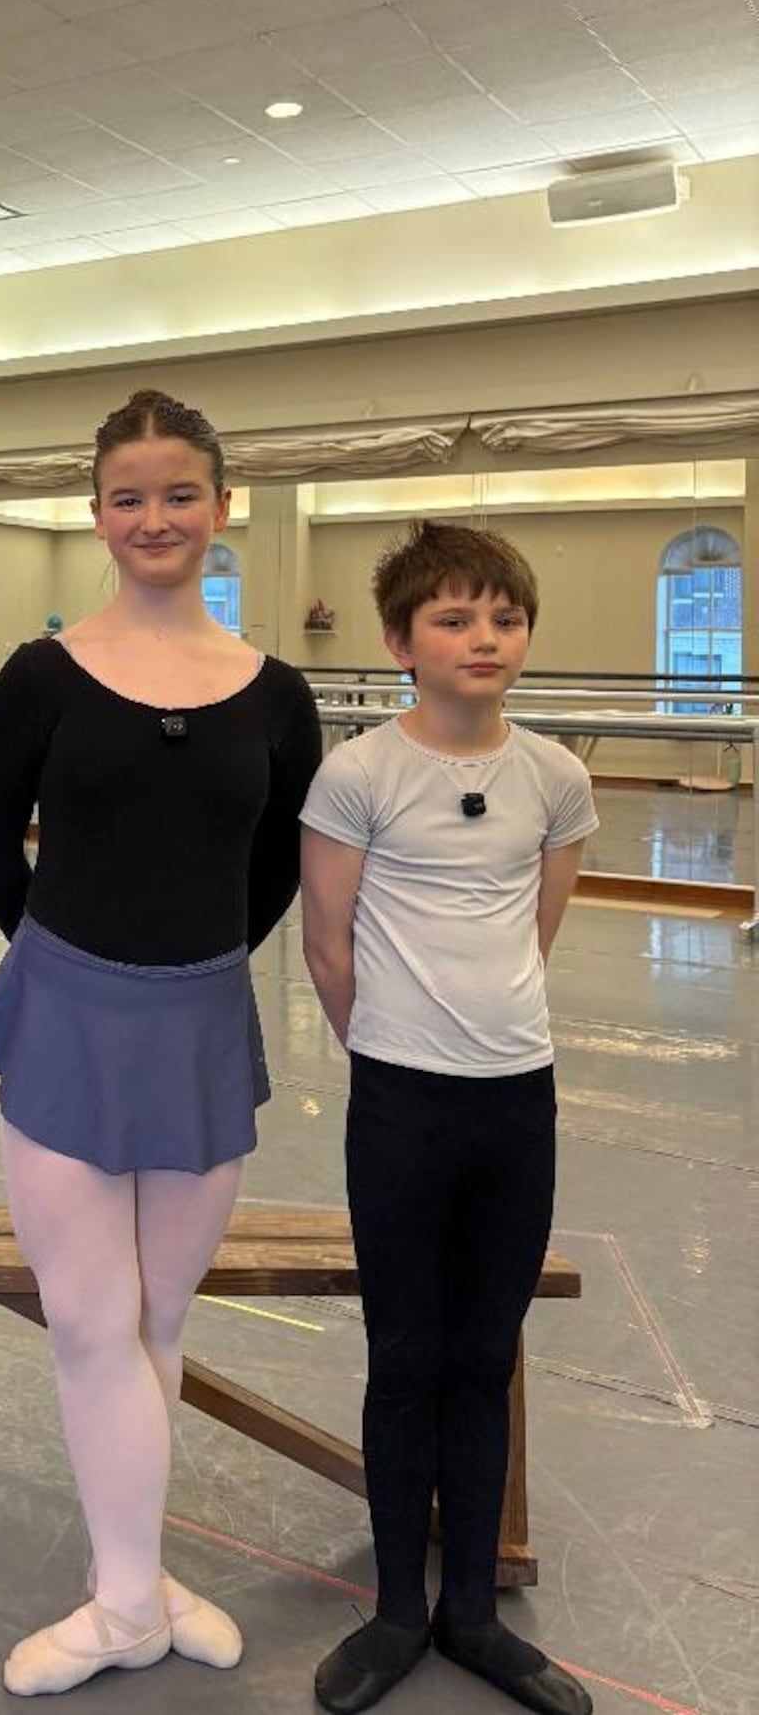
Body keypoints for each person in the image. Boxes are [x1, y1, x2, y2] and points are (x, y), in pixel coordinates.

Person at [0, 387, 322, 1696]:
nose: (155, 515)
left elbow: (276, 859)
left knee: (158, 1317)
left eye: (181, 493)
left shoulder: (275, 696)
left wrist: (195, 961)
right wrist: (63, 962)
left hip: (202, 1015)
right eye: (129, 495)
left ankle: (136, 1575)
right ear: (97, 515)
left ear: (221, 508)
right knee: (91, 1320)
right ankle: (127, 1602)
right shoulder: (45, 676)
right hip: (67, 1012)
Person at [300, 521, 596, 1715]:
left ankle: (471, 1611)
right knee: (406, 1355)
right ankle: (395, 1614)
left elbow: (536, 930)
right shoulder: (360, 773)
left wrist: (484, 1038)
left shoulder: (554, 778)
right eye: (454, 619)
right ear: (400, 641)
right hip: (401, 1103)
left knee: (485, 1354)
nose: (484, 639)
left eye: (504, 619)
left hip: (516, 1100)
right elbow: (327, 946)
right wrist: (402, 1049)